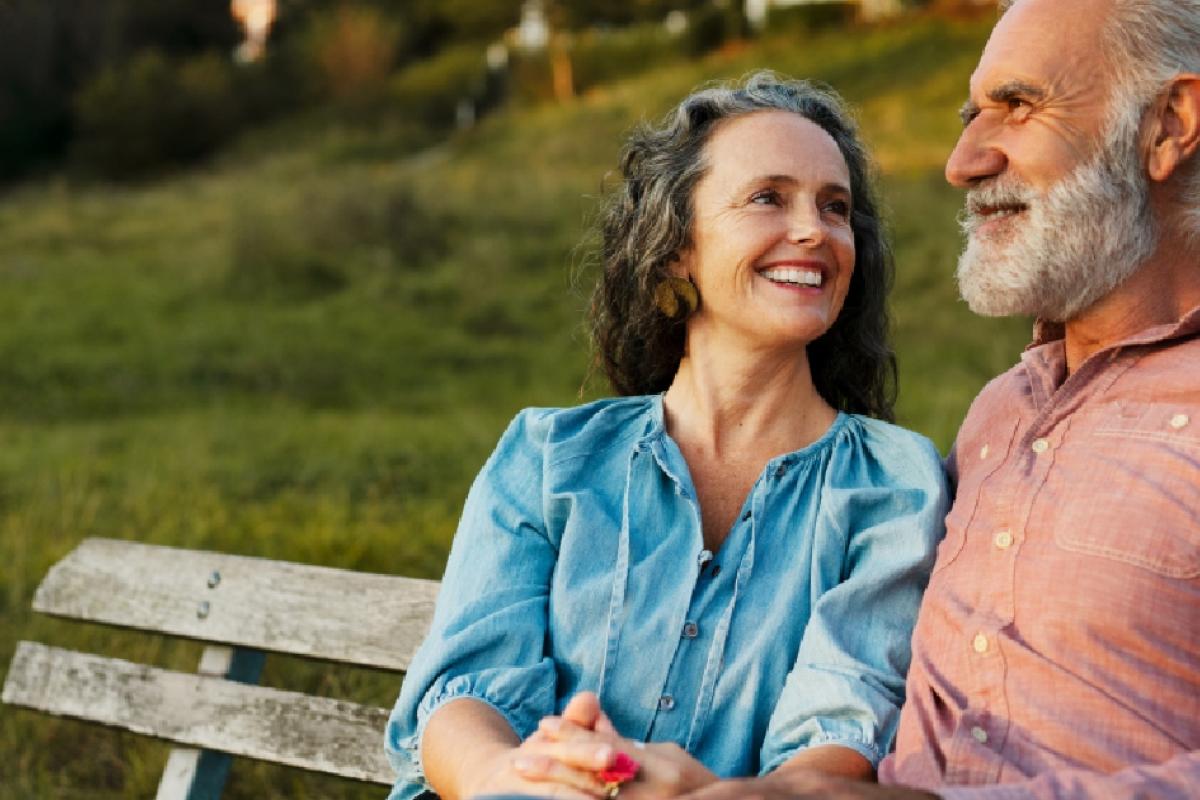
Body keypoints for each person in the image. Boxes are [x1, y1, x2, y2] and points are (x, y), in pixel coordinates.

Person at [672, 0, 1200, 798]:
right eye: (968, 116)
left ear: (1170, 124)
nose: (963, 161)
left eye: (1017, 106)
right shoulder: (1000, 414)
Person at [382, 72, 949, 800]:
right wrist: (514, 775)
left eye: (835, 207)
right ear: (678, 246)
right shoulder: (548, 458)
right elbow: (465, 692)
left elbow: (835, 744)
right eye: (769, 197)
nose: (815, 230)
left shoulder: (893, 485)